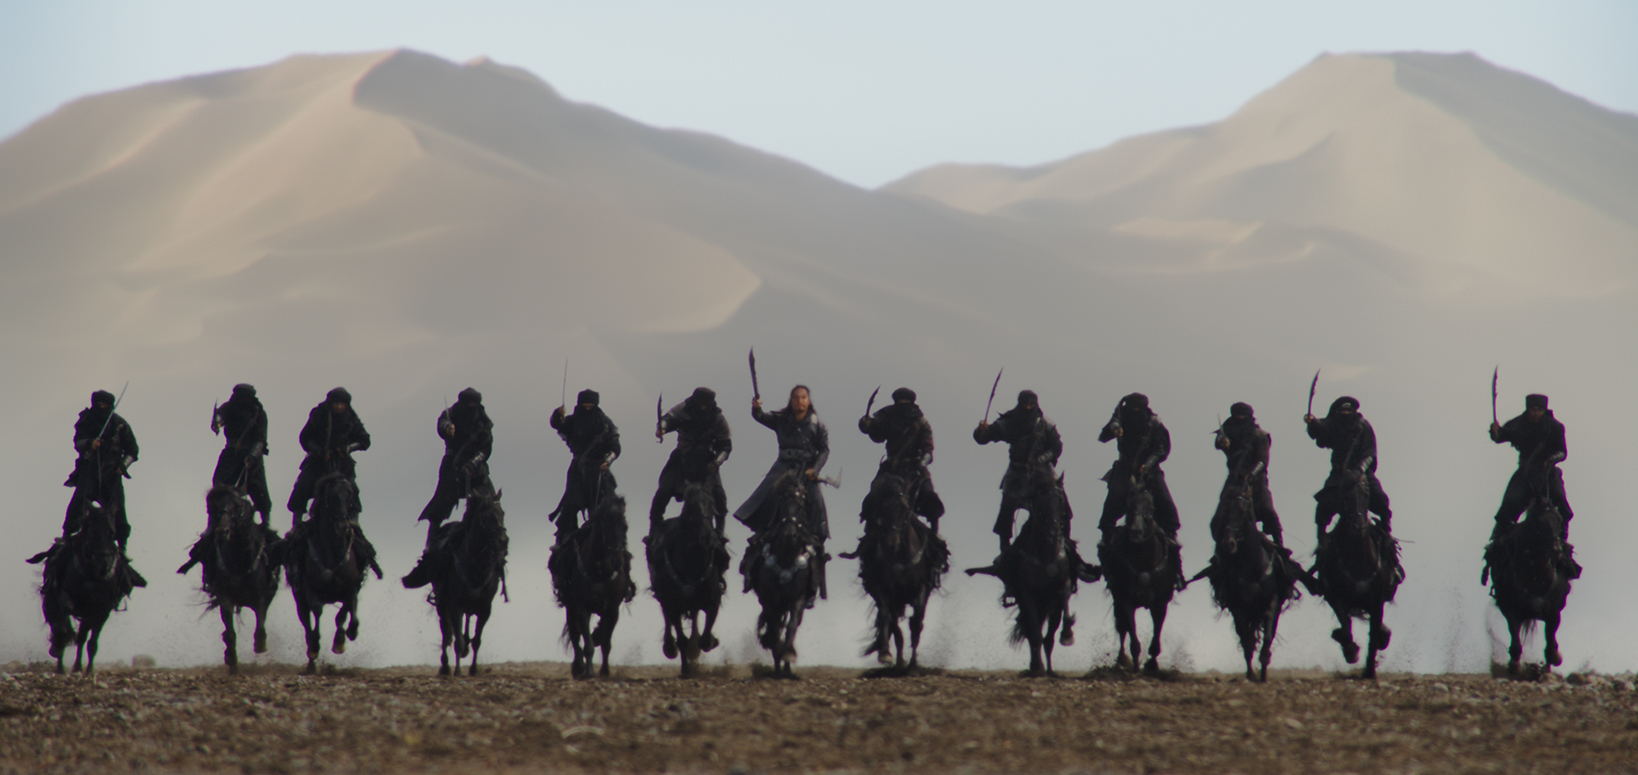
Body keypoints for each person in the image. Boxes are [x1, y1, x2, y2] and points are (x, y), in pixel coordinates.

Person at [734, 385, 830, 598]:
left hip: (806, 472)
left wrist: (815, 469)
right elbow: (761, 417)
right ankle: (757, 547)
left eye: (803, 397)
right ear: (791, 400)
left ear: (808, 400)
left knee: (816, 505)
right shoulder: (781, 419)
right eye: (796, 397)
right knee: (768, 499)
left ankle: (817, 557)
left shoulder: (817, 424)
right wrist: (756, 408)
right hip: (782, 469)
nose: (800, 401)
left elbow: (824, 449)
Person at [1097, 393, 1182, 582]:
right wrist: (1114, 428)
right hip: (1124, 471)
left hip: (1150, 472)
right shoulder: (1120, 419)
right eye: (1132, 408)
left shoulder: (1154, 423)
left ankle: (1172, 550)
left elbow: (1162, 449)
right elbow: (1102, 437)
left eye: (1138, 408)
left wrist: (1148, 464)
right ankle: (1106, 546)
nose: (1135, 411)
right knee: (1110, 507)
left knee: (1167, 505)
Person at [974, 390, 1062, 553]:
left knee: (1059, 503)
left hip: (1042, 474)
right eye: (1025, 404)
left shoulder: (1045, 424)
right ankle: (1004, 547)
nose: (1028, 408)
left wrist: (1041, 460)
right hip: (1017, 473)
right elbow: (984, 438)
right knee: (1007, 505)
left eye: (1030, 404)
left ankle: (1065, 543)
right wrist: (981, 431)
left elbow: (1056, 447)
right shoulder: (1010, 421)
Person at [1305, 395, 1391, 546]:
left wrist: (1360, 470)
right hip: (1338, 475)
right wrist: (1312, 422)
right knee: (1324, 504)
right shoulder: (1333, 424)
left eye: (1348, 411)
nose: (1345, 414)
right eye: (1342, 411)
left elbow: (1370, 453)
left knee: (1380, 499)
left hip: (1362, 473)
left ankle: (1386, 534)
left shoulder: (1363, 426)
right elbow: (1321, 429)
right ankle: (1321, 539)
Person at [859, 387, 944, 534]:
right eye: (900, 401)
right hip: (891, 468)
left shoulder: (921, 422)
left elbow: (928, 448)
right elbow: (877, 432)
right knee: (873, 495)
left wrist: (922, 462)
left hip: (915, 468)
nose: (902, 404)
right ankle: (870, 533)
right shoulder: (888, 417)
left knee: (930, 497)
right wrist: (867, 425)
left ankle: (934, 535)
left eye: (905, 401)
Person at [1488, 394, 1572, 541]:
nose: (1535, 413)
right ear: (1527, 409)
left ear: (1544, 410)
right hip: (1525, 472)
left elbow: (1563, 452)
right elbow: (1501, 436)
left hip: (1547, 473)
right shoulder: (1517, 424)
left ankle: (1561, 540)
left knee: (1561, 504)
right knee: (1509, 503)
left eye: (1539, 410)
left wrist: (1551, 459)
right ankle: (1498, 540)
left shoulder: (1555, 427)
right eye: (1532, 409)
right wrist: (1495, 433)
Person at [63, 390, 139, 549]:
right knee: (79, 503)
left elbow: (132, 450)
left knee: (118, 509)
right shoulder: (86, 420)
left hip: (112, 473)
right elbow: (78, 441)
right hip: (89, 470)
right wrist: (89, 443)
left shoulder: (120, 424)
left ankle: (122, 545)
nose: (102, 407)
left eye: (105, 404)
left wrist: (123, 466)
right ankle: (68, 537)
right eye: (99, 404)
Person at [651, 387, 732, 534]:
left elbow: (725, 447)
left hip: (706, 465)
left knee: (719, 496)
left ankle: (720, 532)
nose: (703, 407)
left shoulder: (718, 419)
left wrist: (717, 462)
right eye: (700, 404)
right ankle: (654, 527)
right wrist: (662, 429)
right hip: (682, 459)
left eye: (705, 405)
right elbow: (668, 419)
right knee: (664, 490)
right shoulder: (683, 409)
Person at [287, 387, 370, 526]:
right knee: (302, 485)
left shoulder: (351, 417)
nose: (339, 406)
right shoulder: (319, 414)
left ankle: (354, 521)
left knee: (352, 488)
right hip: (318, 462)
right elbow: (305, 437)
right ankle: (297, 522)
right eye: (336, 403)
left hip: (341, 463)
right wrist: (319, 451)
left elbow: (365, 440)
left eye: (342, 404)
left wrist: (348, 448)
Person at [417, 388, 495, 529]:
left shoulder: (483, 421)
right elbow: (442, 424)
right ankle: (432, 538)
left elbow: (486, 449)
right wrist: (447, 428)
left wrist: (473, 464)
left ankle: (495, 534)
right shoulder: (451, 414)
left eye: (474, 403)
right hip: (453, 465)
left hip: (477, 469)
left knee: (491, 502)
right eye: (469, 403)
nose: (471, 406)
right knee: (441, 503)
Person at [549, 389, 621, 543]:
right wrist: (558, 415)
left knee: (611, 507)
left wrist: (607, 461)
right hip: (578, 469)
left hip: (599, 470)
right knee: (570, 505)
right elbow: (558, 424)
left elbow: (615, 446)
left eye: (591, 405)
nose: (587, 408)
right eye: (585, 405)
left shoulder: (605, 423)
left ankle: (615, 542)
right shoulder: (573, 421)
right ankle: (565, 541)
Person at [1210, 402, 1283, 546]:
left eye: (1243, 415)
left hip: (1256, 481)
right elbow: (1219, 444)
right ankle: (1221, 547)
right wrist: (1223, 443)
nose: (1240, 418)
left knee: (1268, 511)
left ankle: (1280, 546)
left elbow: (1262, 461)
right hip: (1234, 479)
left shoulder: (1260, 435)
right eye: (1237, 415)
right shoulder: (1227, 430)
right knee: (1221, 514)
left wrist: (1250, 476)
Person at [211, 383, 271, 525]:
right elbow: (221, 416)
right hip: (231, 454)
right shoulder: (230, 407)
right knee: (219, 489)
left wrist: (253, 456)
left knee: (261, 493)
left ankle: (266, 525)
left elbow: (261, 439)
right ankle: (213, 524)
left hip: (252, 456)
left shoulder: (258, 413)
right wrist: (217, 422)